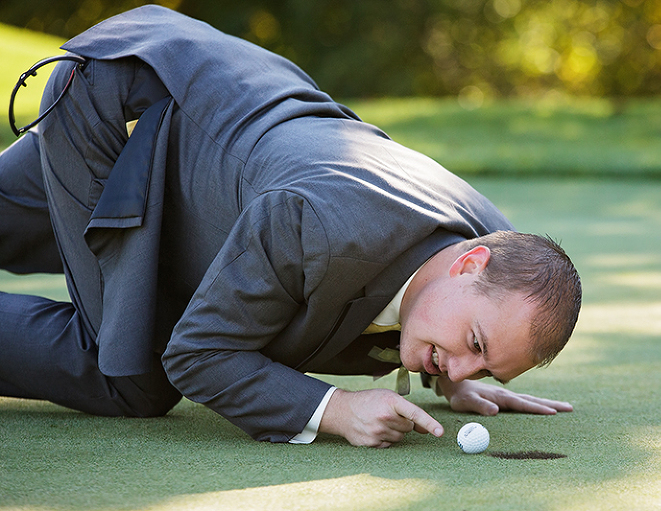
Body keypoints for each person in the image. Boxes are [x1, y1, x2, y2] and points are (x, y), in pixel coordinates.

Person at [0, 5, 581, 448]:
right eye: (473, 346)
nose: (464, 365)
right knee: (132, 374)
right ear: (469, 264)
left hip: (213, 142)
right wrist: (333, 408)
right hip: (124, 99)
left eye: (484, 364)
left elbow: (457, 315)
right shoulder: (320, 227)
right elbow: (199, 354)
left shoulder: (499, 249)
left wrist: (454, 377)